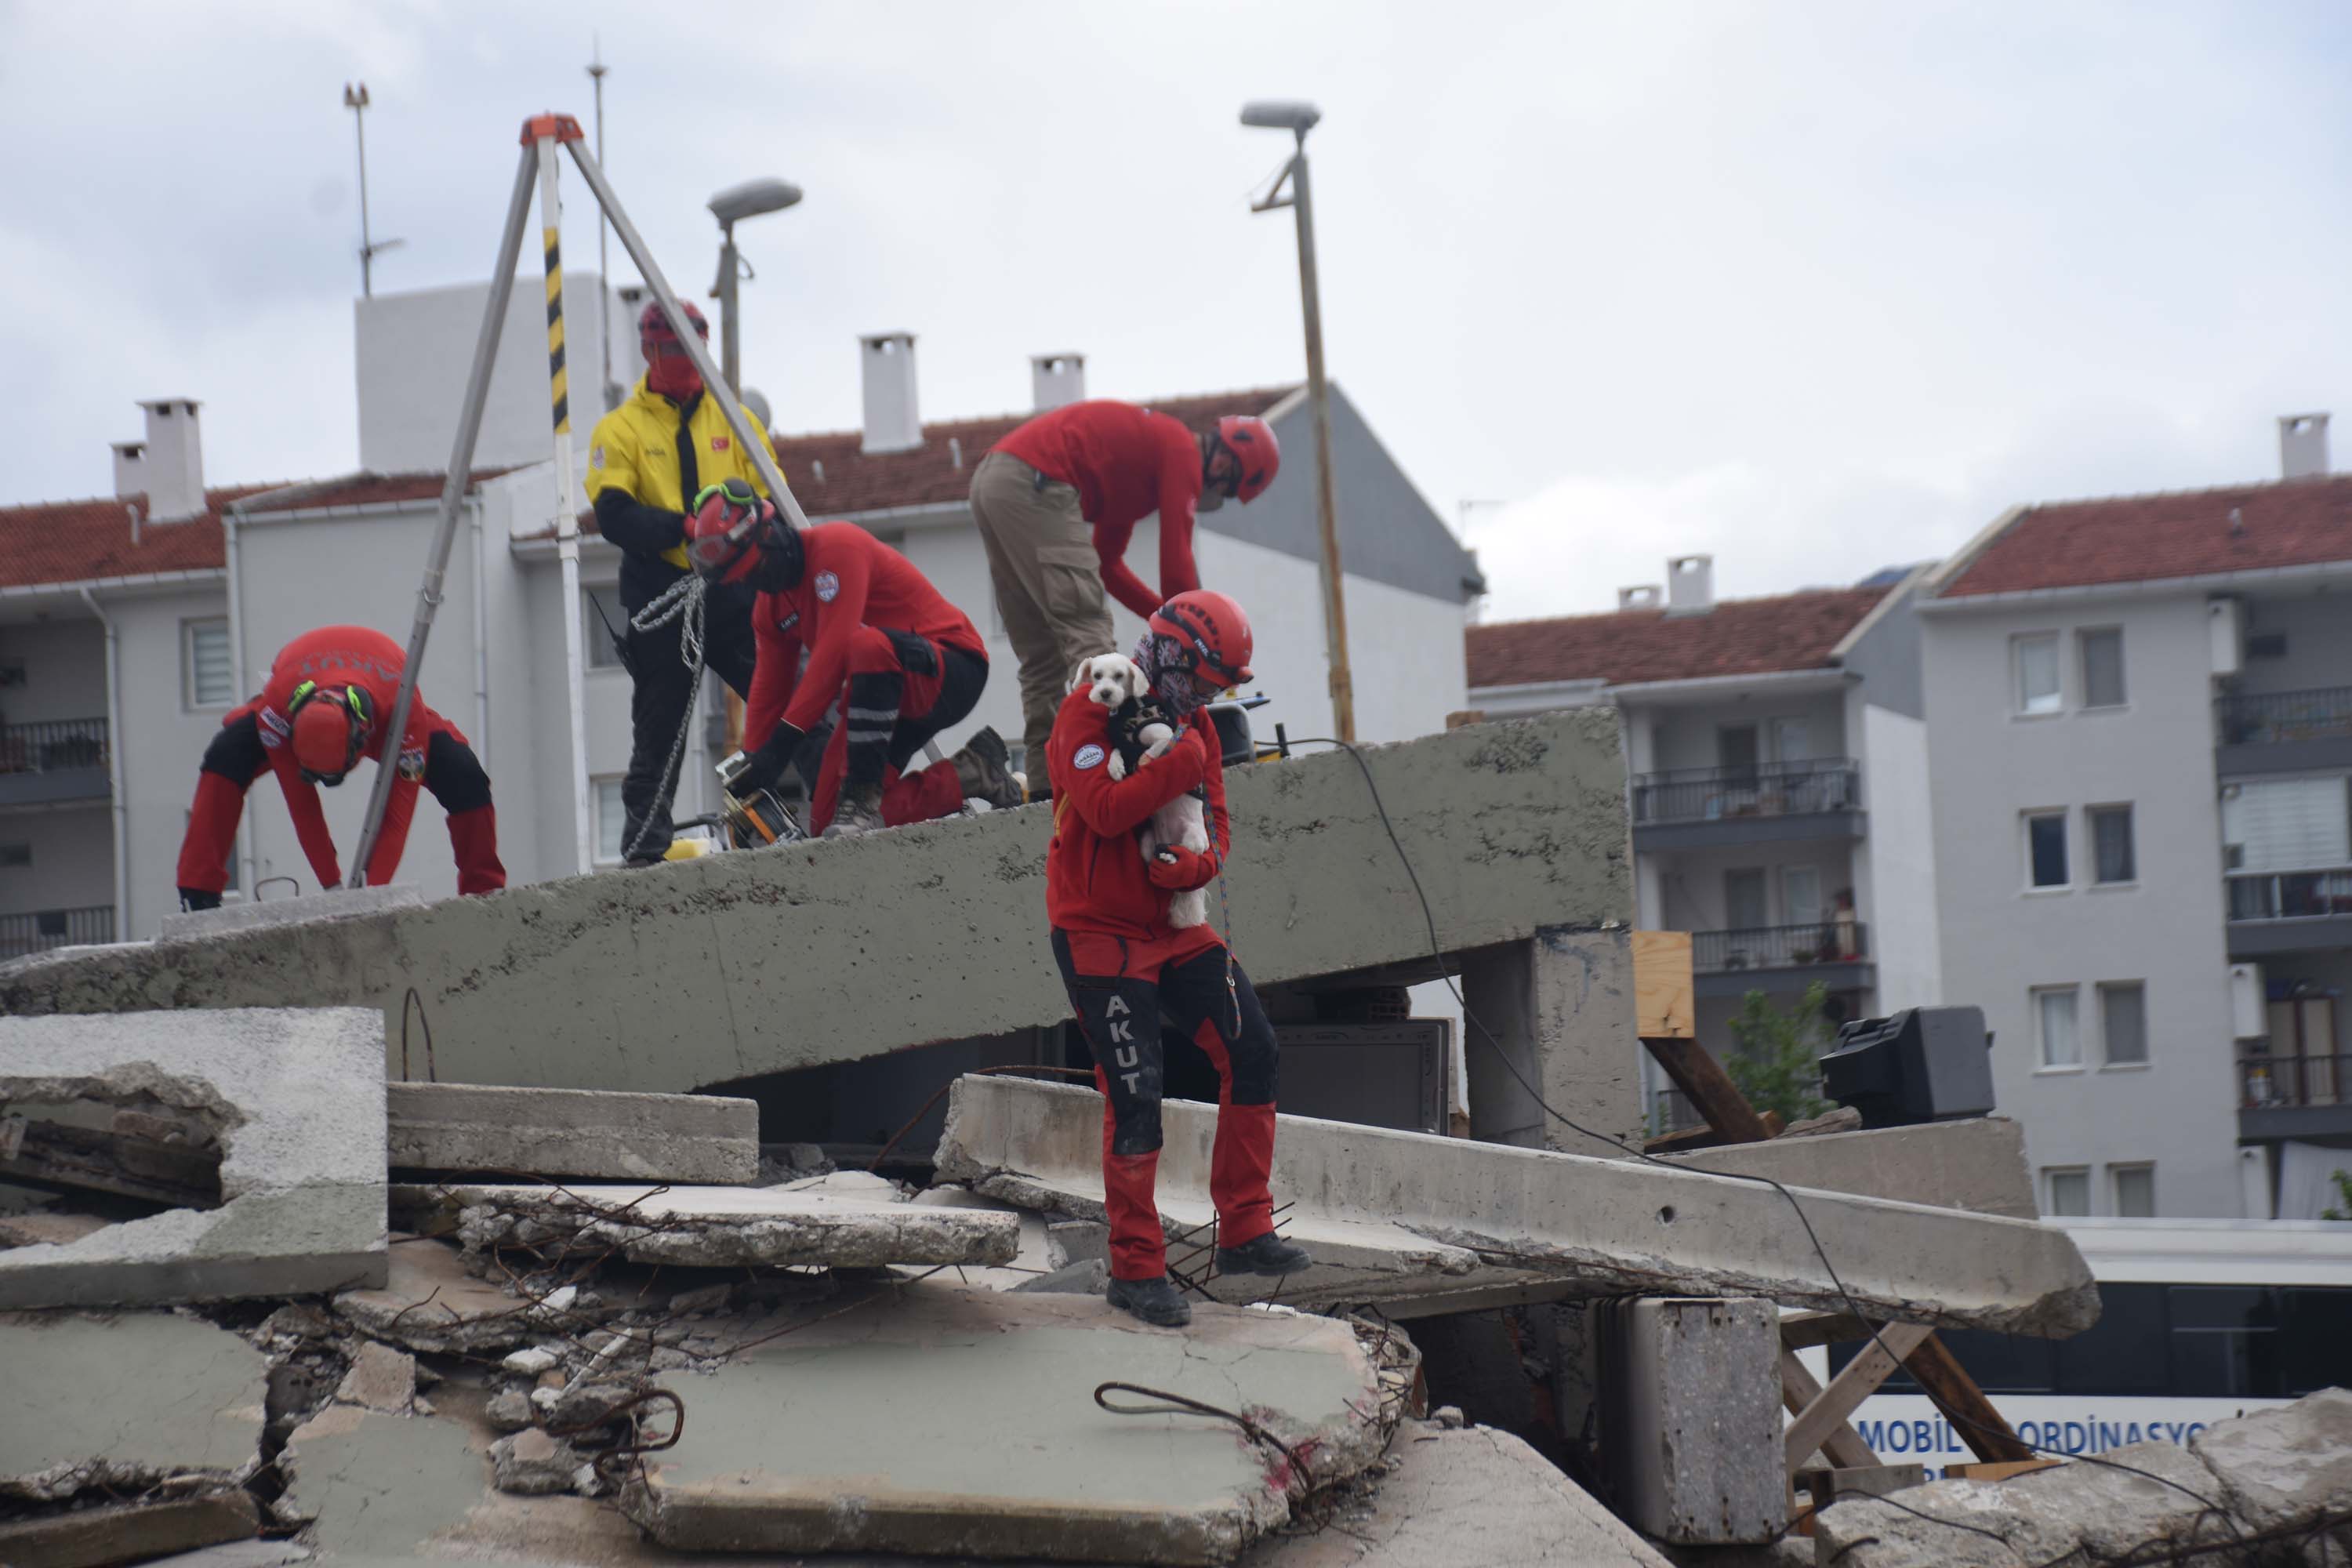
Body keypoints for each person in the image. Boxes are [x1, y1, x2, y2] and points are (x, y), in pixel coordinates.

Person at [1042, 589, 1309, 1327]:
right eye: (1204, 681)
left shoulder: (1199, 729)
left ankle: (1247, 1230)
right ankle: (1135, 1270)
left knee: (1253, 1047)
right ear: (1165, 656)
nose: (1209, 697)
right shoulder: (1086, 715)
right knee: (1135, 1095)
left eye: (1220, 688)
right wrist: (1183, 758)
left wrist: (1189, 871)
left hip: (1176, 923)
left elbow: (1217, 828)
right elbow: (1101, 808)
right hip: (1098, 931)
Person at [684, 479, 1023, 837]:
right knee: (829, 823)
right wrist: (752, 764)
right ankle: (974, 773)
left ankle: (862, 796)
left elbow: (834, 651)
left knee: (864, 646)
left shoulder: (837, 547)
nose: (758, 582)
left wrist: (781, 745)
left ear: (768, 531)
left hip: (951, 668)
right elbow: (769, 689)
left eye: (756, 569)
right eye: (747, 579)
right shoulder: (769, 610)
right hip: (881, 701)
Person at [970, 401, 1280, 789]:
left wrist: (1168, 622)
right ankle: (1100, 775)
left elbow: (1107, 565)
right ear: (1222, 466)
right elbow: (1177, 564)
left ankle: (1047, 788)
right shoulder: (1181, 449)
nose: (1214, 495)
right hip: (1036, 481)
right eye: (1225, 489)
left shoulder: (1135, 473)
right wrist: (1203, 644)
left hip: (994, 483)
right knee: (1090, 633)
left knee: (1043, 658)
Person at [585, 300, 783, 865]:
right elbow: (615, 515)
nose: (684, 360)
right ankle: (646, 845)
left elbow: (773, 501)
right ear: (649, 350)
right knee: (659, 728)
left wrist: (737, 536)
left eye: (693, 348)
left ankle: (839, 803)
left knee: (789, 699)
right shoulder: (620, 429)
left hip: (736, 589)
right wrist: (688, 528)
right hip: (663, 591)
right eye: (673, 349)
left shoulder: (734, 419)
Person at [174, 625, 504, 909]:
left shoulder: (404, 713)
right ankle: (198, 891)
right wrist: (333, 889)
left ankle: (485, 892)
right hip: (294, 688)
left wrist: (371, 896)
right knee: (225, 755)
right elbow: (302, 807)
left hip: (385, 708)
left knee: (465, 775)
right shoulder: (277, 712)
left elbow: (396, 816)